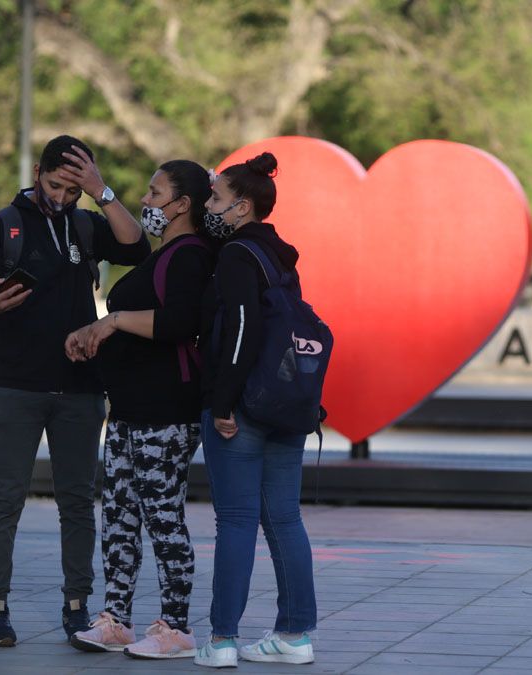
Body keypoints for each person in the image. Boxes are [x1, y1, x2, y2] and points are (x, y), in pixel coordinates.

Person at [0, 135, 150, 647]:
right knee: (5, 499)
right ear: (38, 171)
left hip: (80, 389)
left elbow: (137, 247)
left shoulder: (87, 224)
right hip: (14, 385)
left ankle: (77, 607)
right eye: (55, 185)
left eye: (74, 189)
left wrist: (101, 192)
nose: (63, 197)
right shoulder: (2, 227)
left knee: (76, 501)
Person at [63, 160, 215, 659]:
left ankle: (176, 627)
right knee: (121, 518)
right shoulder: (162, 254)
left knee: (162, 516)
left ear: (182, 205)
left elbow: (177, 324)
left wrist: (112, 322)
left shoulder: (190, 255)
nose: (147, 201)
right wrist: (98, 331)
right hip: (129, 410)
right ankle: (116, 619)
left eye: (155, 193)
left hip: (165, 411)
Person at [194, 152, 317, 668]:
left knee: (238, 521)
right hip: (286, 407)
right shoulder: (279, 256)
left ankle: (222, 640)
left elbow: (243, 327)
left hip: (240, 409)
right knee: (285, 519)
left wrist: (222, 401)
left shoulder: (238, 256)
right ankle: (294, 633)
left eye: (216, 200)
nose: (208, 207)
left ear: (242, 207)